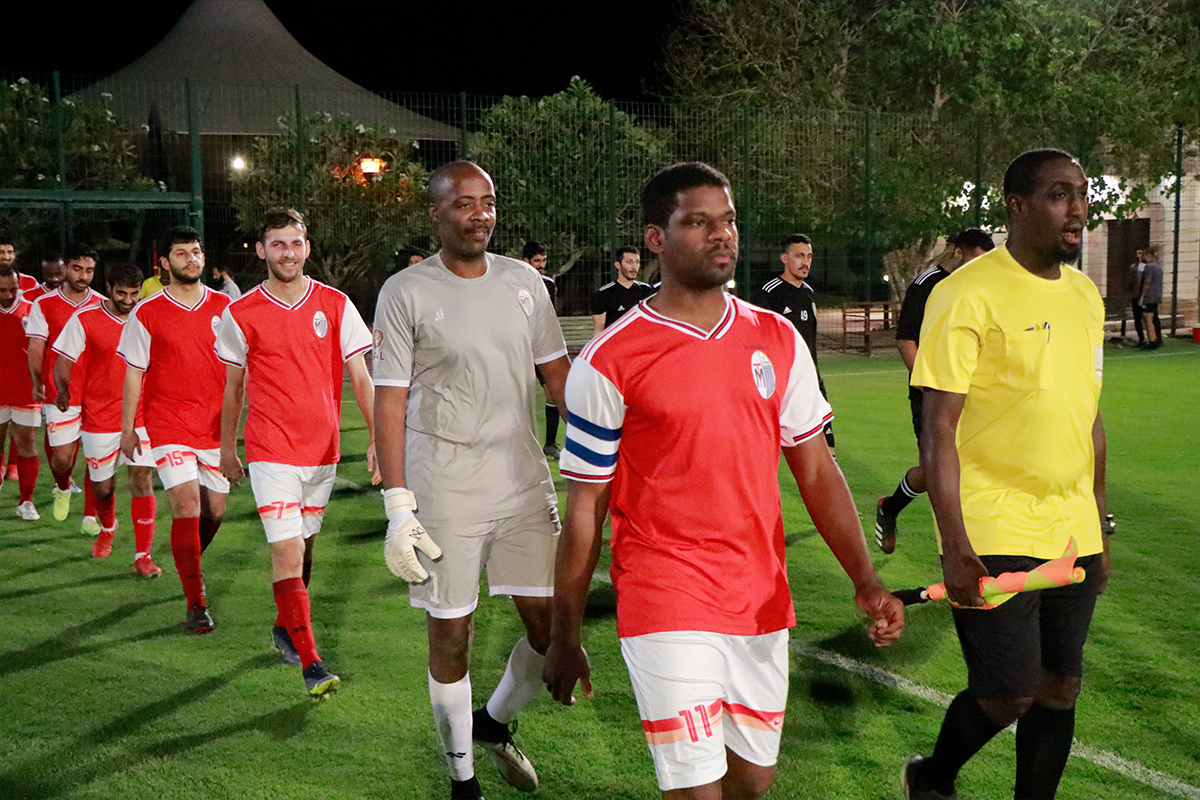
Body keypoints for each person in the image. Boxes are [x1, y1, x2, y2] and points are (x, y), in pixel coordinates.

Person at [544, 162, 904, 800]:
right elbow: (585, 510)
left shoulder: (776, 338)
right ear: (656, 239)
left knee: (751, 782)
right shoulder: (609, 361)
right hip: (665, 594)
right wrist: (564, 635)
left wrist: (866, 579)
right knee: (696, 791)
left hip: (759, 595)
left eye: (729, 220)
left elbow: (816, 469)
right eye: (699, 222)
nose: (721, 234)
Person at [902, 149, 1109, 800]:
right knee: (1010, 690)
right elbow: (938, 427)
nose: (1077, 209)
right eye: (1059, 194)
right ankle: (931, 777)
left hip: (1072, 525)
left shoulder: (1085, 295)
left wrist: (1099, 523)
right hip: (992, 517)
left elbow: (1089, 414)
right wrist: (954, 544)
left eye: (1081, 194)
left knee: (1060, 686)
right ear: (1017, 206)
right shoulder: (965, 293)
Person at [373, 161, 571, 800]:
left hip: (523, 482)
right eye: (464, 203)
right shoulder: (404, 291)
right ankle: (463, 782)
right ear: (435, 214)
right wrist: (398, 505)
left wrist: (605, 456)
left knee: (551, 630)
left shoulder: (525, 282)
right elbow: (388, 401)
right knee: (452, 633)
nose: (480, 214)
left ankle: (494, 721)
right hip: (445, 490)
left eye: (488, 202)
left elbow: (558, 377)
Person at [217, 207, 378, 697]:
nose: (288, 253)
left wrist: (378, 437)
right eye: (277, 244)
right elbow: (233, 388)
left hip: (323, 450)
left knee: (304, 547)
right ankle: (313, 664)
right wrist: (227, 447)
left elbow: (361, 377)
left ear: (307, 247)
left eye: (295, 243)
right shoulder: (240, 313)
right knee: (286, 549)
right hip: (270, 450)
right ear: (261, 250)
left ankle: (286, 625)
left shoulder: (335, 304)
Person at [118, 226, 231, 634]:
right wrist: (128, 428)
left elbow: (241, 367)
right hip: (168, 424)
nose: (191, 258)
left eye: (196, 251)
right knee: (187, 505)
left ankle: (189, 562)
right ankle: (196, 603)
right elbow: (134, 373)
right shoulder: (146, 312)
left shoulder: (226, 307)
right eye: (181, 253)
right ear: (165, 263)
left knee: (215, 511)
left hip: (214, 426)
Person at [875, 228, 995, 554]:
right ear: (957, 253)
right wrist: (930, 387)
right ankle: (891, 508)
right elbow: (906, 340)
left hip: (972, 392)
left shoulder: (978, 287)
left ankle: (979, 546)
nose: (980, 268)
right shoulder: (926, 285)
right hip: (932, 393)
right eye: (975, 260)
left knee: (973, 467)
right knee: (936, 472)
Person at [52, 263, 161, 575]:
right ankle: (108, 527)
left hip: (141, 416)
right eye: (121, 293)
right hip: (99, 417)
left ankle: (143, 556)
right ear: (109, 288)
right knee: (102, 489)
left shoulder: (148, 318)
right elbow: (63, 360)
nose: (128, 300)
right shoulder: (85, 319)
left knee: (142, 479)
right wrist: (63, 391)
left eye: (134, 293)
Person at [26, 243, 103, 530]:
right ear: (66, 268)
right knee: (61, 457)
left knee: (96, 456)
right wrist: (37, 382)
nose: (83, 276)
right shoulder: (44, 304)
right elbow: (36, 346)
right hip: (60, 392)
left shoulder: (102, 304)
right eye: (78, 269)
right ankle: (62, 486)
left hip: (97, 392)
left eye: (89, 270)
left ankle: (90, 516)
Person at [749, 233, 836, 453]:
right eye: (799, 256)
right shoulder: (769, 294)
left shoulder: (808, 294)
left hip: (811, 383)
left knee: (827, 452)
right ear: (784, 258)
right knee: (769, 452)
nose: (805, 262)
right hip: (780, 386)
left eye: (809, 256)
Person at [0, 271, 42, 520]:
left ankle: (26, 501)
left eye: (12, 289)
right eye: (2, 290)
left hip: (25, 387)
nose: (8, 295)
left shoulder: (32, 310)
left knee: (27, 443)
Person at [522, 240, 562, 459]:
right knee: (518, 393)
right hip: (519, 346)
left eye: (543, 260)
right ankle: (520, 443)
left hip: (540, 346)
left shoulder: (549, 285)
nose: (541, 265)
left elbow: (550, 317)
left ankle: (550, 444)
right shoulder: (514, 282)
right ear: (525, 261)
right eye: (537, 260)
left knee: (552, 393)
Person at [590, 245, 653, 334]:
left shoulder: (647, 291)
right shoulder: (603, 294)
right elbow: (599, 330)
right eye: (629, 262)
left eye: (637, 262)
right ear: (618, 265)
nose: (634, 267)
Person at [1138, 246, 1163, 350]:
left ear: (1148, 256)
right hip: (1156, 295)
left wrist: (1142, 297)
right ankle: (1156, 339)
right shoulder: (1158, 267)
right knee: (1153, 318)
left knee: (1147, 318)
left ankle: (1152, 341)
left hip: (1149, 296)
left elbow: (1147, 282)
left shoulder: (1149, 267)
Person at [1126, 248, 1146, 346]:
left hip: (1146, 297)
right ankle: (1141, 339)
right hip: (1136, 295)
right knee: (1137, 318)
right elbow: (1130, 281)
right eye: (1137, 253)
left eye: (1140, 253)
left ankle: (1154, 339)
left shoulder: (1147, 267)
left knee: (1149, 318)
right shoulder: (1133, 267)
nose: (1138, 256)